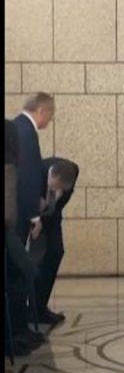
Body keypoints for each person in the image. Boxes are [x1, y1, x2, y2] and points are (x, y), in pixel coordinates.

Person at [4, 120, 44, 357]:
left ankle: (18, 331)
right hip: (9, 231)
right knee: (20, 274)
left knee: (20, 273)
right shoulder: (9, 168)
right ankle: (14, 336)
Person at [32, 158, 79, 325]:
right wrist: (35, 216)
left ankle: (40, 308)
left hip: (52, 218)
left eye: (60, 189)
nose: (56, 191)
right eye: (54, 186)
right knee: (32, 259)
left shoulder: (73, 171)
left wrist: (52, 204)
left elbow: (64, 198)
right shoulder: (38, 170)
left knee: (56, 252)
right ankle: (27, 310)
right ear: (51, 175)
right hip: (31, 216)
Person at [13, 92, 55, 244]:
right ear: (41, 111)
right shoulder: (27, 134)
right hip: (18, 211)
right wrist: (34, 215)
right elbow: (27, 176)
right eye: (51, 113)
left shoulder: (16, 126)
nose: (51, 119)